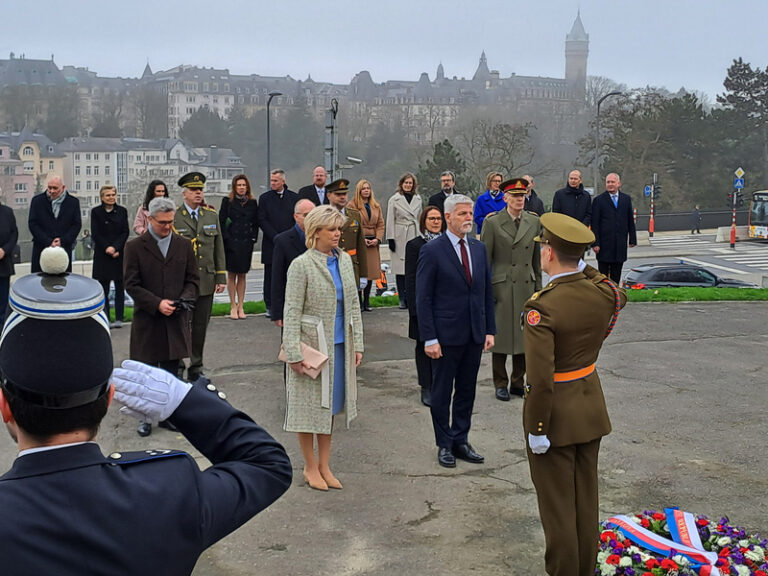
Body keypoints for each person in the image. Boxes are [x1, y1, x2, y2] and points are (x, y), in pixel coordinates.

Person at [0, 248, 292, 575]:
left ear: (4, 406)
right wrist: (186, 402)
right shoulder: (169, 492)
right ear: (109, 398)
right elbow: (268, 465)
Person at [523, 212, 626, 576]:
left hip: (555, 419)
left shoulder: (542, 306)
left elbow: (540, 380)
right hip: (590, 408)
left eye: (544, 246)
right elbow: (618, 292)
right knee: (585, 502)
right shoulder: (602, 293)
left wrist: (537, 428)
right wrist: (583, 267)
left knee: (558, 511)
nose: (541, 252)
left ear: (549, 252)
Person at [282, 205, 364, 491]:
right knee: (308, 409)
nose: (338, 234)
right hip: (312, 347)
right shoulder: (301, 265)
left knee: (329, 407)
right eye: (332, 229)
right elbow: (291, 311)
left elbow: (353, 304)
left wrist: (358, 344)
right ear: (315, 232)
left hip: (340, 345)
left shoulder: (344, 261)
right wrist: (293, 353)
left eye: (339, 229)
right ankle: (309, 465)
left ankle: (325, 465)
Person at [416, 194, 496, 468]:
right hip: (444, 336)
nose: (468, 218)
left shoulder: (478, 248)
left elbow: (485, 292)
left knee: (466, 390)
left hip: (473, 334)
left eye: (470, 213)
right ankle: (444, 443)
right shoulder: (432, 250)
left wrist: (489, 329)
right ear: (448, 217)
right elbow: (423, 298)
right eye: (462, 213)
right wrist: (430, 337)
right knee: (441, 393)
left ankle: (461, 439)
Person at [124, 197, 199, 437]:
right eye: (162, 223)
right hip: (147, 321)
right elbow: (131, 284)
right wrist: (156, 303)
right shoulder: (135, 247)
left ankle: (168, 415)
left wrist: (182, 300)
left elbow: (193, 280)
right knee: (146, 373)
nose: (167, 227)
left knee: (170, 374)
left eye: (170, 222)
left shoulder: (183, 245)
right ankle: (145, 417)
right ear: (149, 219)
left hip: (174, 319)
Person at [480, 178, 542, 401]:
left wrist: (539, 291)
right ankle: (500, 382)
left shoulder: (534, 221)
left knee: (525, 337)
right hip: (502, 286)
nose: (519, 200)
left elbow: (536, 260)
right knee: (501, 337)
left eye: (522, 196)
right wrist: (485, 292)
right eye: (515, 196)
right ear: (505, 198)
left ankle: (518, 381)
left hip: (526, 284)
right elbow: (485, 260)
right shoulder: (493, 223)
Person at [173, 172, 226, 382]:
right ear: (184, 193)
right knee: (180, 325)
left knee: (200, 326)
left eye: (200, 190)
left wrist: (220, 277)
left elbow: (218, 248)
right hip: (182, 282)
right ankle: (178, 364)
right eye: (194, 190)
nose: (198, 193)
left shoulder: (211, 216)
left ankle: (196, 365)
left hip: (206, 279)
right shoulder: (175, 217)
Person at [404, 206, 445, 407]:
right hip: (423, 304)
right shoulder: (415, 245)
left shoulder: (448, 243)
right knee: (423, 347)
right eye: (431, 219)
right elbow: (410, 279)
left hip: (444, 305)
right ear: (424, 222)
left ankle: (440, 384)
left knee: (444, 346)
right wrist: (414, 309)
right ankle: (426, 386)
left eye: (438, 218)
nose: (435, 222)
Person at [257, 169, 298, 318]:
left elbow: (296, 219)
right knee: (270, 276)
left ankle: (290, 304)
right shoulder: (265, 198)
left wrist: (288, 237)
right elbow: (262, 220)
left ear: (283, 181)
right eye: (271, 180)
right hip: (271, 243)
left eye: (275, 180)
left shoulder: (294, 198)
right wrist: (276, 237)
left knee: (290, 275)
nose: (273, 183)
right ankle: (270, 306)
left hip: (290, 243)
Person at [219, 174, 259, 319]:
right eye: (239, 185)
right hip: (231, 242)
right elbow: (221, 221)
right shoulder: (227, 202)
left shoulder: (252, 203)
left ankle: (241, 306)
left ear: (247, 187)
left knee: (242, 275)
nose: (241, 188)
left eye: (244, 185)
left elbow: (256, 222)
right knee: (232, 274)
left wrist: (253, 238)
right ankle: (233, 306)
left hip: (246, 242)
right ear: (234, 187)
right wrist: (227, 239)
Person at [90, 185, 129, 328]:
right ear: (102, 197)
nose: (111, 197)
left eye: (113, 195)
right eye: (108, 195)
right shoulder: (96, 212)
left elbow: (125, 232)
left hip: (118, 254)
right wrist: (107, 247)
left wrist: (115, 247)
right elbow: (96, 233)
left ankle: (119, 318)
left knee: (120, 287)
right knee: (104, 288)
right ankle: (105, 317)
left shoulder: (122, 211)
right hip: (103, 254)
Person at [271, 199, 314, 327]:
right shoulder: (283, 241)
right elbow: (277, 278)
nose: (310, 218)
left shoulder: (320, 239)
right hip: (292, 303)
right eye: (306, 215)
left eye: (313, 214)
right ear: (296, 217)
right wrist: (278, 313)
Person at [28, 175, 81, 272]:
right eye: (49, 188)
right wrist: (48, 241)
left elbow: (76, 225)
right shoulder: (37, 201)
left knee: (62, 280)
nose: (52, 191)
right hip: (41, 248)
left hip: (63, 250)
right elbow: (33, 224)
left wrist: (63, 240)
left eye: (55, 188)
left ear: (63, 188)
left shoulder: (73, 202)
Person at [591, 173, 637, 284]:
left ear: (618, 183)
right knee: (603, 277)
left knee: (616, 275)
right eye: (608, 182)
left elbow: (630, 220)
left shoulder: (626, 199)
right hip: (604, 245)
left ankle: (615, 293)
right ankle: (604, 293)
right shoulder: (599, 200)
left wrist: (632, 239)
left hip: (620, 244)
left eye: (612, 182)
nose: (610, 184)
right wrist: (595, 243)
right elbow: (595, 223)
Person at [385, 172, 421, 309]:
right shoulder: (394, 199)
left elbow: (419, 217)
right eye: (406, 183)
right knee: (400, 269)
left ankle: (412, 297)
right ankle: (401, 298)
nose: (408, 185)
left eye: (410, 183)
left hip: (414, 232)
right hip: (400, 235)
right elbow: (390, 219)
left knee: (414, 268)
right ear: (401, 184)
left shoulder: (418, 199)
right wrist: (390, 238)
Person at [348, 179, 385, 311]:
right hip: (359, 242)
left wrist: (378, 239)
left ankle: (367, 301)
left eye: (368, 188)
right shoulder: (352, 205)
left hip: (373, 243)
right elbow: (351, 224)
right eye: (363, 188)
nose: (366, 191)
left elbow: (380, 224)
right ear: (359, 190)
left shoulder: (375, 205)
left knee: (370, 272)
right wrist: (361, 239)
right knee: (360, 272)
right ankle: (358, 301)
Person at [326, 178, 368, 291]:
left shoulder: (354, 215)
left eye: (344, 194)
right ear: (329, 195)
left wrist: (363, 274)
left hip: (351, 268)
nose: (342, 197)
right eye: (338, 194)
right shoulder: (322, 216)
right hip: (330, 269)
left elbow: (361, 246)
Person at [0, 197, 17, 322]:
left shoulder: (7, 212)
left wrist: (4, 250)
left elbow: (14, 234)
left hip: (4, 263)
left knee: (3, 302)